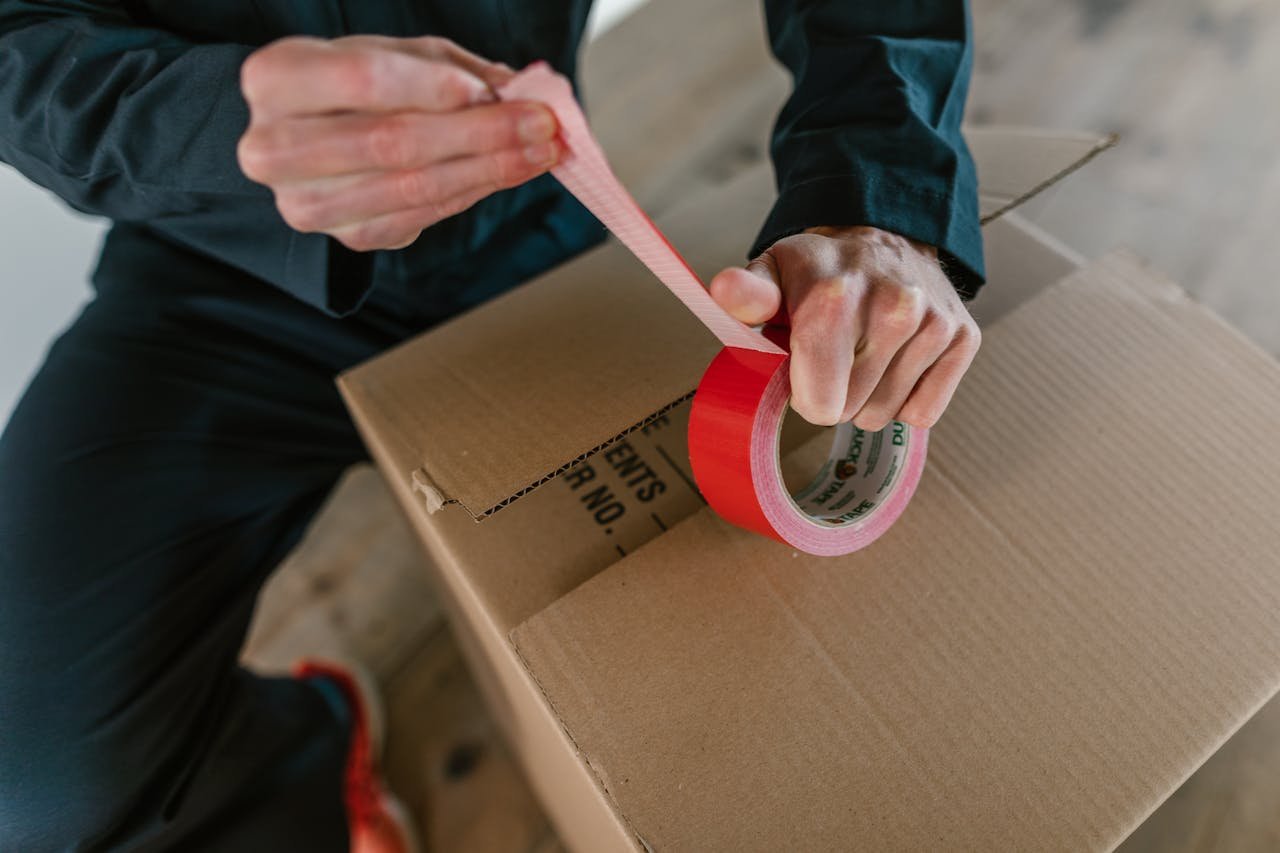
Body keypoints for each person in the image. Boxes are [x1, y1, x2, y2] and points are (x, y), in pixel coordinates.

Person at [0, 1, 984, 850]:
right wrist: (212, 124)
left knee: (719, 652)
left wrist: (877, 194)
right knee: (30, 795)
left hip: (535, 235)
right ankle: (302, 752)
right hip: (215, 271)